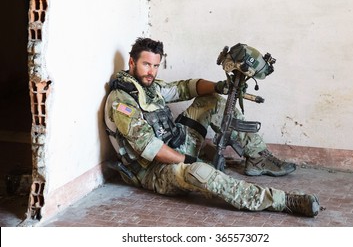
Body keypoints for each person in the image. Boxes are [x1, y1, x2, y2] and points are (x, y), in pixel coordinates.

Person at [104, 37, 320, 217]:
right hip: (155, 170)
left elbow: (183, 88)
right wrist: (189, 160)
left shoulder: (148, 86)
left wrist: (220, 86)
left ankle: (257, 156)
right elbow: (150, 148)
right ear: (132, 63)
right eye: (146, 64)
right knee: (200, 171)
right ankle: (283, 201)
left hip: (177, 143)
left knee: (212, 100)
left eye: (155, 65)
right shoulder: (122, 101)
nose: (151, 71)